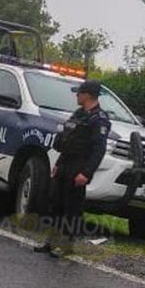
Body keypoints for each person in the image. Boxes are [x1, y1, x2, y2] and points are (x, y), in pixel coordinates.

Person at [37, 79, 111, 257]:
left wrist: (86, 173)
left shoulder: (99, 119)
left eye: (80, 93)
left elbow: (99, 150)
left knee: (72, 208)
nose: (77, 95)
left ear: (88, 95)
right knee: (55, 203)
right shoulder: (78, 114)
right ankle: (51, 242)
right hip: (65, 164)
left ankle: (66, 245)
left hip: (79, 166)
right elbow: (68, 142)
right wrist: (58, 164)